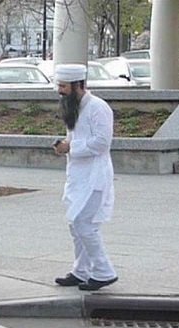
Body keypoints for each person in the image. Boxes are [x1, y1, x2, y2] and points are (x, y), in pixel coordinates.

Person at [51, 64, 118, 291]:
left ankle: (104, 271)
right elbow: (74, 138)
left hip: (95, 176)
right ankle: (81, 271)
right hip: (77, 176)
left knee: (84, 224)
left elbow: (102, 142)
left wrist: (70, 147)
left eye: (63, 86)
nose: (60, 90)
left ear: (79, 85)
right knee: (75, 224)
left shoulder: (99, 108)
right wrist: (63, 145)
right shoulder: (74, 107)